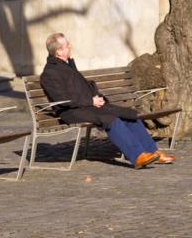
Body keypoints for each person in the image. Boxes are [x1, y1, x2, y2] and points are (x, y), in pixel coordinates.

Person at [40, 33, 176, 169]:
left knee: (128, 114)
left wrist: (95, 97)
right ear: (59, 52)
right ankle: (138, 156)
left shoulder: (67, 65)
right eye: (67, 45)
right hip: (71, 111)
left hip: (86, 106)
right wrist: (90, 101)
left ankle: (152, 151)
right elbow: (62, 99)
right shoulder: (50, 73)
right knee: (110, 119)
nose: (70, 47)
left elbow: (82, 87)